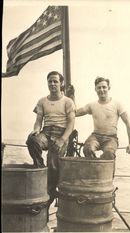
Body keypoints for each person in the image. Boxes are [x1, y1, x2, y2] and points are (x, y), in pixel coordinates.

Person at [26, 71, 75, 218]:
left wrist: (63, 139)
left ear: (61, 84)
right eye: (50, 81)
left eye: (55, 81)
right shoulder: (42, 101)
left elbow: (71, 123)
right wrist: (36, 130)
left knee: (53, 164)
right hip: (46, 133)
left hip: (61, 133)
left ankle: (50, 193)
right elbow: (38, 120)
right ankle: (41, 171)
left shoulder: (68, 101)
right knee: (31, 140)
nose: (52, 84)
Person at [76, 77, 130, 160]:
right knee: (87, 149)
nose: (101, 90)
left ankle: (104, 171)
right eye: (99, 87)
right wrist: (72, 96)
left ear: (109, 88)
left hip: (111, 138)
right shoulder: (92, 105)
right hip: (95, 136)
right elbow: (75, 113)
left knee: (109, 154)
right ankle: (94, 170)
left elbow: (128, 122)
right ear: (95, 89)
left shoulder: (117, 104)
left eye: (104, 87)